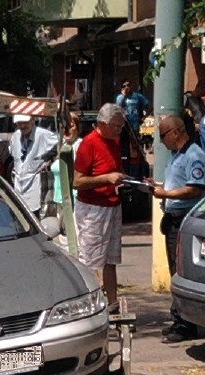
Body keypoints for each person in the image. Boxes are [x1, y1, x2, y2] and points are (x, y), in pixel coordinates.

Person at [147, 115, 205, 343]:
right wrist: (158, 188)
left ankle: (186, 325)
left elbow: (194, 189)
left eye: (163, 136)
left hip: (185, 218)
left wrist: (165, 194)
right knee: (175, 269)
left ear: (175, 132)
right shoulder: (175, 156)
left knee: (180, 271)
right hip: (173, 218)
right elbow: (176, 185)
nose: (161, 142)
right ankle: (178, 318)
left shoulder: (194, 155)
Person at [73, 103, 126, 313]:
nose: (118, 131)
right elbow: (77, 181)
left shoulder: (114, 141)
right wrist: (106, 178)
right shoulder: (89, 144)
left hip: (113, 204)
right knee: (90, 259)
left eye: (121, 127)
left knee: (110, 258)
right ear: (103, 124)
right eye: (115, 126)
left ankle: (112, 302)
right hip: (93, 208)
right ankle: (89, 304)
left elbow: (114, 170)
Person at [8, 114, 58, 217]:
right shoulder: (16, 136)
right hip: (19, 186)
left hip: (35, 188)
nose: (22, 126)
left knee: (35, 217)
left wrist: (46, 158)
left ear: (33, 120)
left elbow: (60, 143)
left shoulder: (42, 134)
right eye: (19, 123)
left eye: (25, 122)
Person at [183, 79, 205, 145]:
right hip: (190, 130)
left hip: (200, 131)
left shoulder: (201, 101)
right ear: (199, 87)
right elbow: (183, 113)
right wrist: (193, 124)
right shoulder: (187, 97)